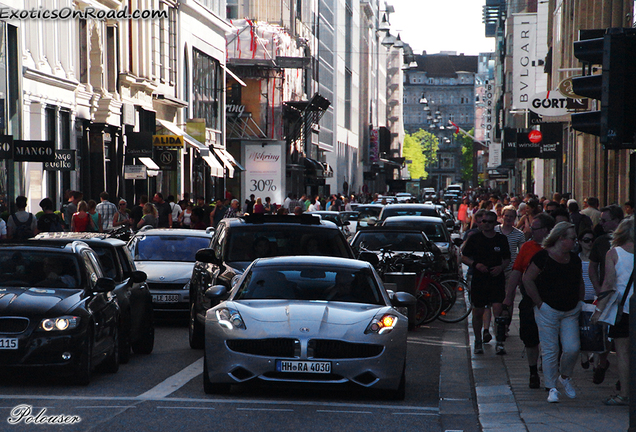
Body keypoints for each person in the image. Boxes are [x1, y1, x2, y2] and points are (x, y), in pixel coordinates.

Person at [522, 222, 584, 403]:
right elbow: (528, 279)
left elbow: (579, 281)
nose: (575, 241)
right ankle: (551, 387)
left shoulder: (574, 259)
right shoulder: (543, 257)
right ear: (560, 238)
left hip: (570, 309)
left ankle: (565, 376)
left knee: (572, 348)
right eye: (572, 238)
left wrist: (580, 302)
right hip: (548, 309)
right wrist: (540, 303)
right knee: (550, 349)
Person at [503, 212, 556, 389]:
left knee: (552, 339)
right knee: (530, 338)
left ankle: (548, 367)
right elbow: (516, 273)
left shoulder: (558, 247)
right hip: (530, 300)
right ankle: (533, 371)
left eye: (535, 229)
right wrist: (508, 298)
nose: (531, 231)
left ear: (547, 230)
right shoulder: (527, 247)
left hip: (554, 300)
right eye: (530, 228)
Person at [592, 217, 634, 406]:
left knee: (623, 353)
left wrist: (598, 310)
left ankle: (624, 394)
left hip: (624, 309)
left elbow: (608, 284)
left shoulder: (614, 253)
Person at [461, 210, 511, 355]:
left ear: (495, 223)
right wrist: (476, 264)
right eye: (484, 221)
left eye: (490, 222)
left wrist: (500, 267)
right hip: (479, 279)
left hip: (496, 279)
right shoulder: (474, 238)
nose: (487, 224)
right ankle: (478, 341)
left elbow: (507, 258)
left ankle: (500, 342)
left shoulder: (501, 239)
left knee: (498, 310)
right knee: (478, 312)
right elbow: (464, 257)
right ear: (480, 223)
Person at [588, 204, 624, 384]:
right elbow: (592, 266)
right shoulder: (601, 241)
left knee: (622, 339)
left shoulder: (628, 242)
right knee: (604, 333)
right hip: (606, 294)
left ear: (617, 221)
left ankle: (623, 376)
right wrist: (597, 287)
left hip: (624, 298)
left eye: (604, 220)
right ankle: (603, 363)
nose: (600, 223)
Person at [578, 228, 596, 370]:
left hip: (595, 297)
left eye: (591, 240)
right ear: (579, 242)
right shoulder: (576, 258)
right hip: (581, 297)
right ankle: (584, 354)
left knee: (595, 328)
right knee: (582, 328)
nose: (589, 243)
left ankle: (594, 356)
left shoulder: (598, 259)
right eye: (586, 240)